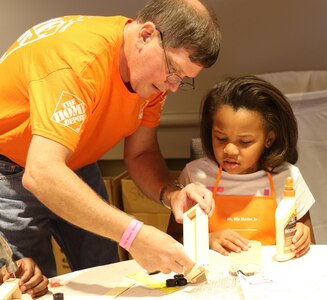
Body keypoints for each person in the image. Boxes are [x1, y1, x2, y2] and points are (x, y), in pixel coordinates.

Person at [0, 0, 220, 277]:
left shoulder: (153, 78)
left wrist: (172, 194)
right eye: (173, 70)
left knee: (105, 272)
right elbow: (42, 173)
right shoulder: (77, 61)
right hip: (10, 170)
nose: (173, 86)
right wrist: (135, 235)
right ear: (146, 35)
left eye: (184, 79)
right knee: (28, 282)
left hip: (75, 161)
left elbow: (141, 154)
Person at [177, 75, 315, 258]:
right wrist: (207, 239)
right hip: (215, 281)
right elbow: (173, 239)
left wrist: (303, 238)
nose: (230, 150)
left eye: (244, 141)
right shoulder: (195, 176)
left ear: (269, 139)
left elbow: (311, 242)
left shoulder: (288, 177)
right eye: (220, 138)